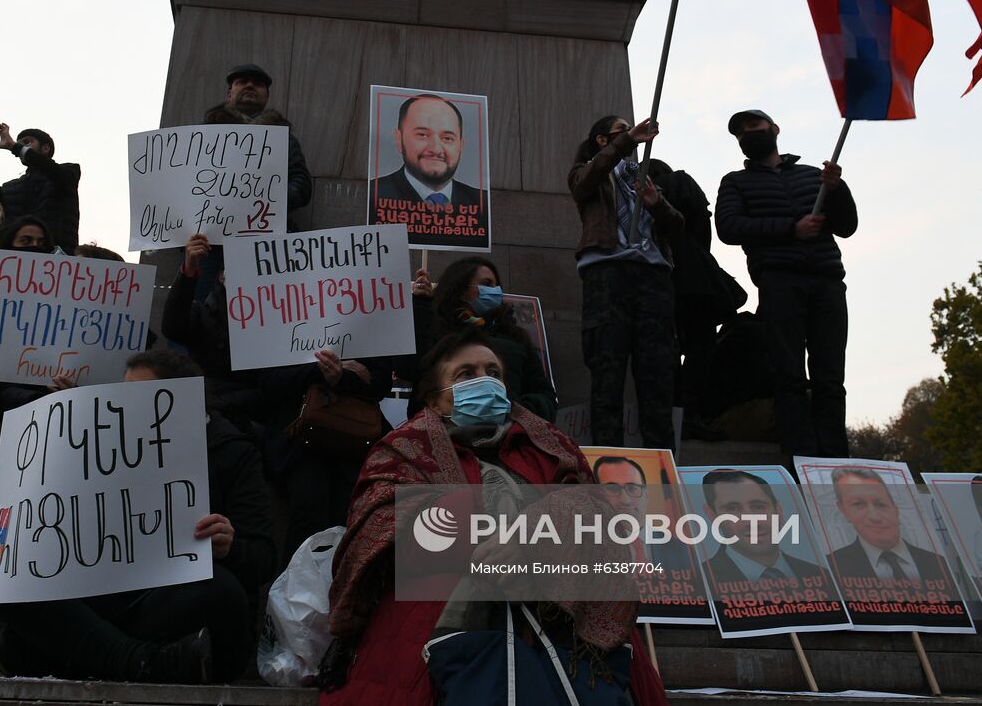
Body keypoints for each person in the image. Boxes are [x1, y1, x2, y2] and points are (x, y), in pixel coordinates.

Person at [319, 328, 667, 706]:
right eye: (466, 374)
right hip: (442, 614)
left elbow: (595, 513)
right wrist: (480, 540)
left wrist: (530, 540)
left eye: (493, 372)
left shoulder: (550, 445)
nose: (483, 380)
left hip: (559, 612)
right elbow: (380, 522)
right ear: (434, 401)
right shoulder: (402, 450)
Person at [0, 348, 277, 683]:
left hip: (172, 609)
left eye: (138, 395)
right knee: (5, 583)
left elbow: (263, 558)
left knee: (222, 590)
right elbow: (45, 537)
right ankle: (141, 663)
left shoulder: (233, 452)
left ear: (178, 399)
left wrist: (229, 547)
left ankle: (106, 659)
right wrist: (2, 525)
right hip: (108, 607)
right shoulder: (91, 446)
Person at [715, 109, 857, 460]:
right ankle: (802, 461)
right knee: (788, 377)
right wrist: (790, 229)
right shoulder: (735, 182)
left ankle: (835, 462)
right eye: (741, 132)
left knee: (830, 378)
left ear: (774, 129)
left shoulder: (814, 176)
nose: (749, 134)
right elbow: (729, 227)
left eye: (755, 126)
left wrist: (837, 190)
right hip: (779, 283)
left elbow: (847, 225)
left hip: (826, 282)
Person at [568, 116, 682, 448]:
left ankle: (664, 466)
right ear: (603, 141)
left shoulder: (643, 177)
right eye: (622, 130)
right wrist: (628, 140)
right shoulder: (588, 172)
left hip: (653, 278)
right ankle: (609, 463)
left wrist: (657, 204)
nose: (632, 135)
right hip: (607, 275)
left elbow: (678, 226)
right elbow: (585, 180)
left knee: (657, 376)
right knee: (607, 374)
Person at [261, 346, 392, 563]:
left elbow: (378, 382)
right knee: (309, 516)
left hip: (353, 441)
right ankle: (296, 592)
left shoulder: (371, 325)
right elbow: (269, 382)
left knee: (349, 520)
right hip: (299, 441)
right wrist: (321, 370)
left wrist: (342, 377)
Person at [645, 158, 744, 440]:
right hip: (697, 279)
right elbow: (702, 228)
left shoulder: (642, 195)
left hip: (660, 278)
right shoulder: (684, 185)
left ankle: (676, 410)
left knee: (667, 348)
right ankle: (691, 410)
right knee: (701, 345)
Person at [196, 64, 315, 298]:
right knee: (196, 317)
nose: (250, 85)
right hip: (210, 244)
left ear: (266, 96)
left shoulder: (284, 139)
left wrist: (273, 202)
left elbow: (301, 182)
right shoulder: (201, 136)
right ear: (229, 93)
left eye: (257, 83)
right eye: (242, 82)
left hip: (265, 241)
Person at [407, 256, 555, 420]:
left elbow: (543, 394)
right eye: (486, 284)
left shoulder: (515, 337)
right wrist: (421, 306)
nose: (495, 290)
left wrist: (513, 411)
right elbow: (409, 368)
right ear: (461, 289)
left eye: (496, 285)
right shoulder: (436, 329)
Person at [161, 233, 263, 427]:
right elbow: (173, 327)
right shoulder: (205, 314)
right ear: (220, 276)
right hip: (213, 410)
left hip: (255, 413)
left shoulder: (275, 322)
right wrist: (189, 270)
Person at [368, 93, 489, 248]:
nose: (436, 149)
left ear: (461, 145)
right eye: (422, 135)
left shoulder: (482, 205)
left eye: (447, 138)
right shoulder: (373, 197)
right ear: (399, 139)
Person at [0, 122, 82, 254]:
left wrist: (14, 146)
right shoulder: (9, 188)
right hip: (13, 263)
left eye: (27, 142)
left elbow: (55, 172)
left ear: (45, 148)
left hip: (55, 262)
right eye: (20, 143)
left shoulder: (69, 172)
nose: (21, 146)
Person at [701, 468, 826, 585]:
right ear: (712, 515)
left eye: (758, 506)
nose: (752, 521)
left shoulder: (823, 576)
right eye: (733, 509)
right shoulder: (699, 581)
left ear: (779, 510)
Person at [828, 467, 951, 584]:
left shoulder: (940, 564)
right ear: (843, 510)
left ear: (895, 509)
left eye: (880, 504)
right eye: (859, 504)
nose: (875, 517)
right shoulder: (831, 568)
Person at [592, 454, 690, 574]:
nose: (625, 500)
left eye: (633, 488)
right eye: (613, 489)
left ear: (647, 495)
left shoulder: (679, 549)